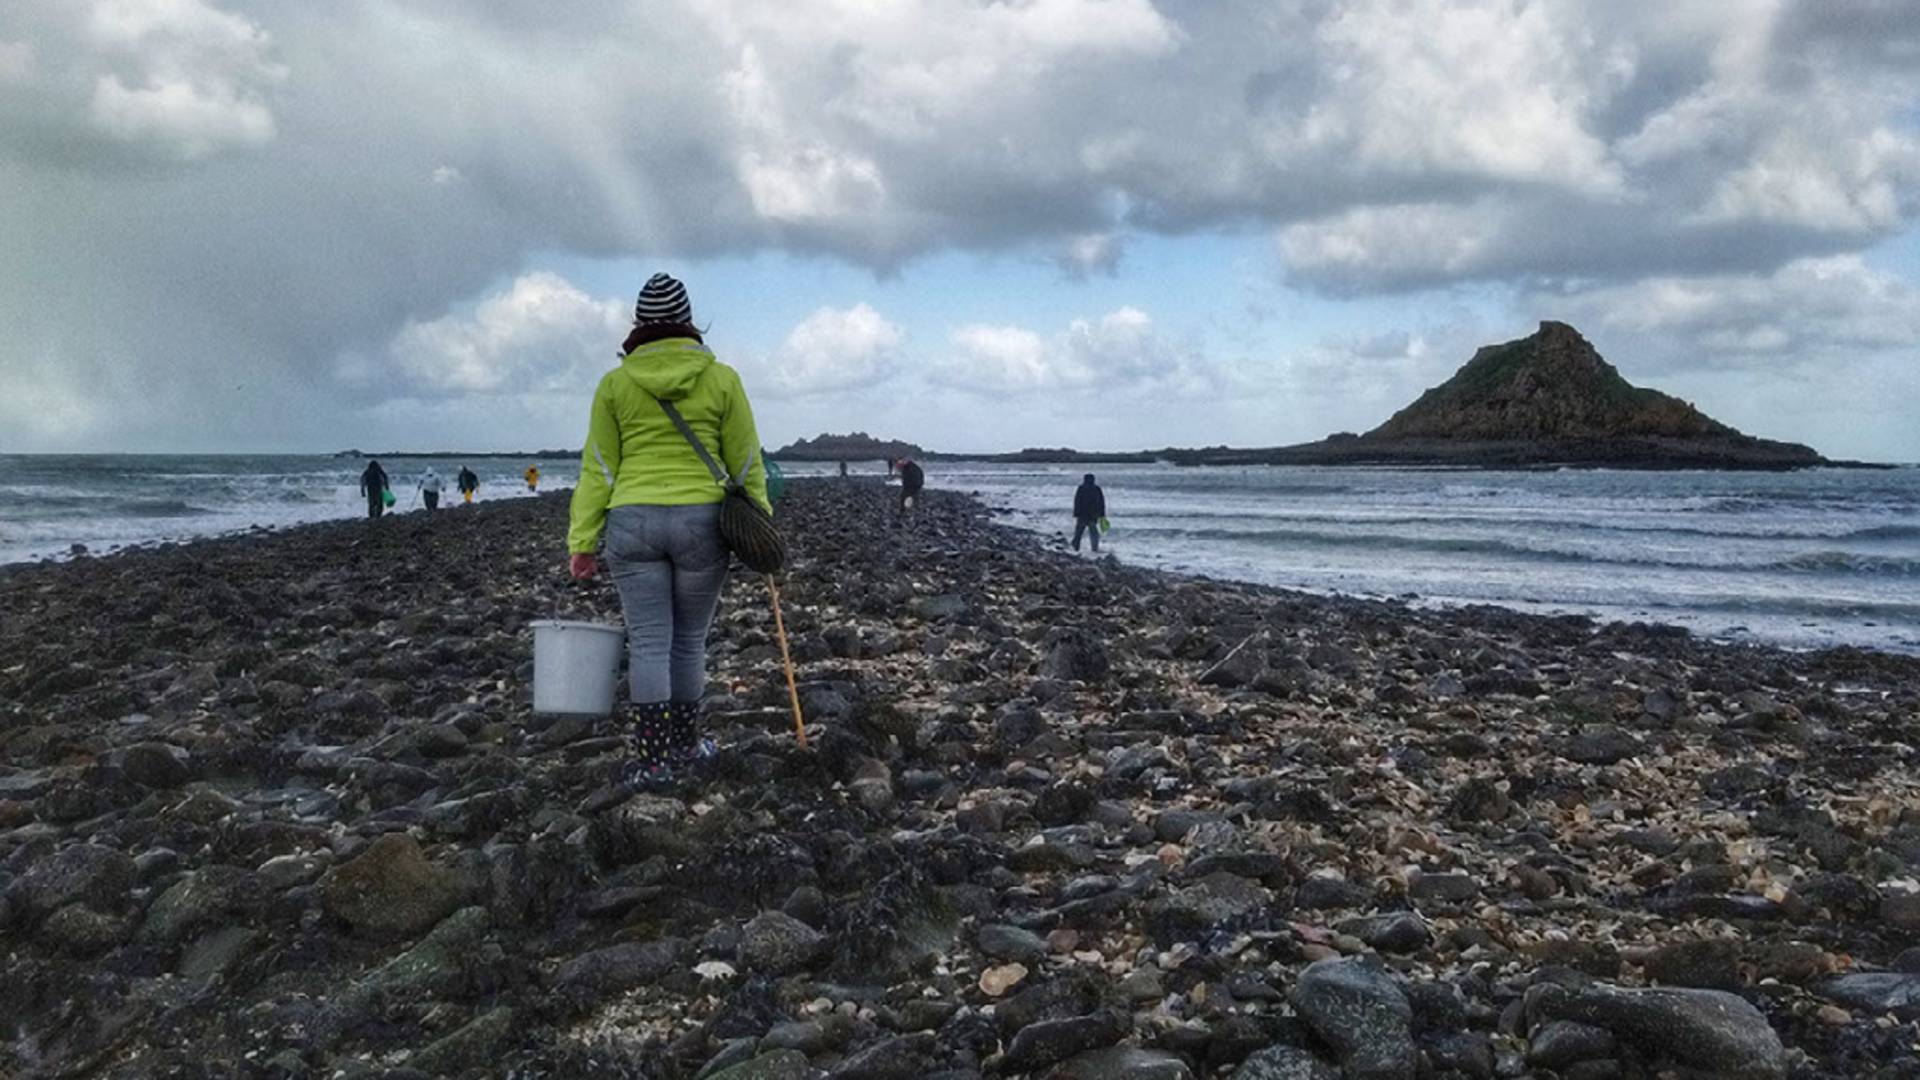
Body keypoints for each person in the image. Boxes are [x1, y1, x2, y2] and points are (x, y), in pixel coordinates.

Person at [567, 272, 769, 786]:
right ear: (688, 321)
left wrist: (582, 541)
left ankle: (652, 760)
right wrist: (761, 529)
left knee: (650, 641)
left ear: (638, 324)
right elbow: (745, 461)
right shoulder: (722, 378)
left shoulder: (615, 385)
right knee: (689, 642)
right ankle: (687, 746)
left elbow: (599, 469)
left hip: (632, 521)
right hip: (703, 522)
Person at [1072, 473, 1106, 553]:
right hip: (1092, 515)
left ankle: (1075, 549)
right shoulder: (1097, 489)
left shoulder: (1081, 488)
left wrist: (1076, 513)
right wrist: (1102, 514)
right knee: (1093, 533)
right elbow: (1101, 502)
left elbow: (1077, 501)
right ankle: (1094, 549)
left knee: (1079, 533)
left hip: (1083, 515)